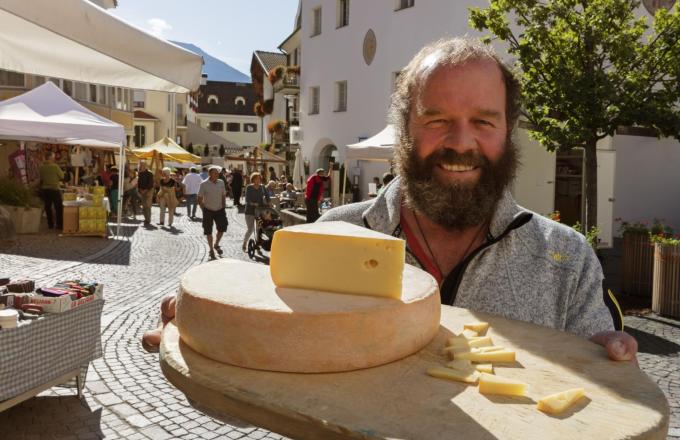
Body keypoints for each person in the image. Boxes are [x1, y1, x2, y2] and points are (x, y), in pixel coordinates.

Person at [142, 37, 637, 362]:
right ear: (404, 131)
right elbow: (275, 373)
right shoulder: (335, 235)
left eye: (483, 121)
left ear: (508, 133)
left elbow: (596, 402)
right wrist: (216, 344)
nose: (461, 142)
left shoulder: (565, 260)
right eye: (437, 119)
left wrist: (603, 366)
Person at [198, 166, 228, 260]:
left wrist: (223, 206)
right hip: (208, 209)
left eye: (217, 173)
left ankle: (216, 244)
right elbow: (199, 198)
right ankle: (211, 249)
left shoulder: (221, 182)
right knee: (208, 230)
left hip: (219, 209)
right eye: (214, 173)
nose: (216, 174)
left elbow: (223, 195)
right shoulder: (204, 184)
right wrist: (204, 209)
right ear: (209, 174)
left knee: (222, 227)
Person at [242, 172, 269, 252]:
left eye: (259, 178)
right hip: (249, 211)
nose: (258, 180)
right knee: (250, 229)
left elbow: (267, 197)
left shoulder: (263, 187)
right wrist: (253, 203)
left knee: (259, 229)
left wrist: (270, 203)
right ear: (253, 179)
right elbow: (247, 199)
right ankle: (244, 243)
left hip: (259, 211)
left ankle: (258, 243)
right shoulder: (249, 187)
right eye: (256, 178)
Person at [39, 152, 64, 230]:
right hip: (54, 189)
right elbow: (62, 176)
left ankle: (50, 224)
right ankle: (59, 225)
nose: (54, 158)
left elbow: (41, 178)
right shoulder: (55, 166)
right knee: (58, 207)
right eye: (53, 156)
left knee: (48, 207)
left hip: (45, 189)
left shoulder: (41, 167)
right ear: (50, 157)